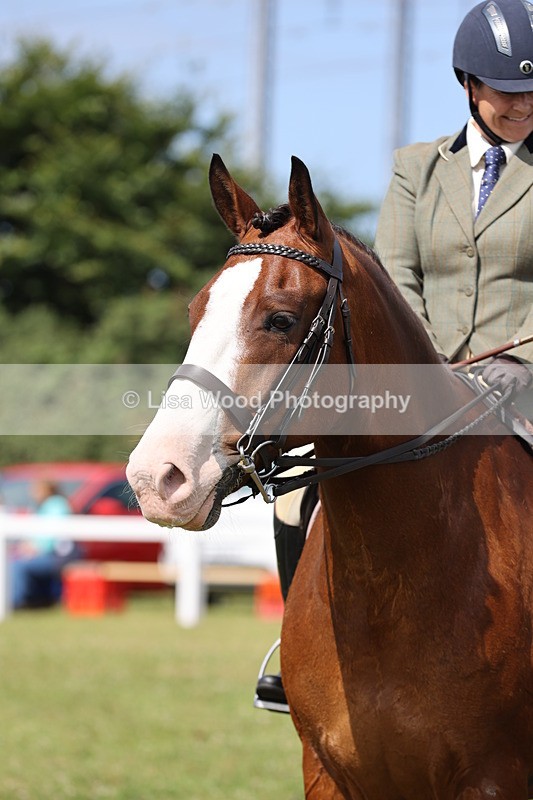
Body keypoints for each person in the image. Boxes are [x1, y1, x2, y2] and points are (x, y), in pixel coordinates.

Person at [255, 0, 533, 711]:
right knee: (297, 493)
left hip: (524, 377)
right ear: (468, 83)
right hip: (427, 378)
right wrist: (428, 368)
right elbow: (394, 275)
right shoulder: (416, 168)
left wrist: (519, 360)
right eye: (507, 90)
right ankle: (299, 652)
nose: (523, 104)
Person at [10, 479, 81, 609]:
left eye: (35, 490)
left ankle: (17, 602)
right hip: (50, 554)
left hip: (58, 557)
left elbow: (50, 538)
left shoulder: (57, 506)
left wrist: (32, 548)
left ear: (45, 490)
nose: (32, 494)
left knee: (18, 566)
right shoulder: (46, 506)